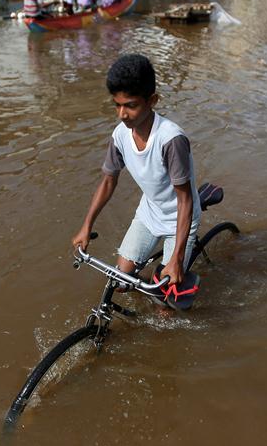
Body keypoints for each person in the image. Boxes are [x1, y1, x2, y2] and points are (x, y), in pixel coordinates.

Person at [71, 54, 201, 300]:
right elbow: (108, 181)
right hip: (149, 212)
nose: (122, 114)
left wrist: (177, 259)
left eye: (130, 105)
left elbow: (185, 201)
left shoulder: (170, 140)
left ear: (152, 100)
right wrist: (86, 226)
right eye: (117, 105)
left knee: (166, 302)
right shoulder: (120, 135)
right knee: (120, 281)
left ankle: (165, 297)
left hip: (179, 218)